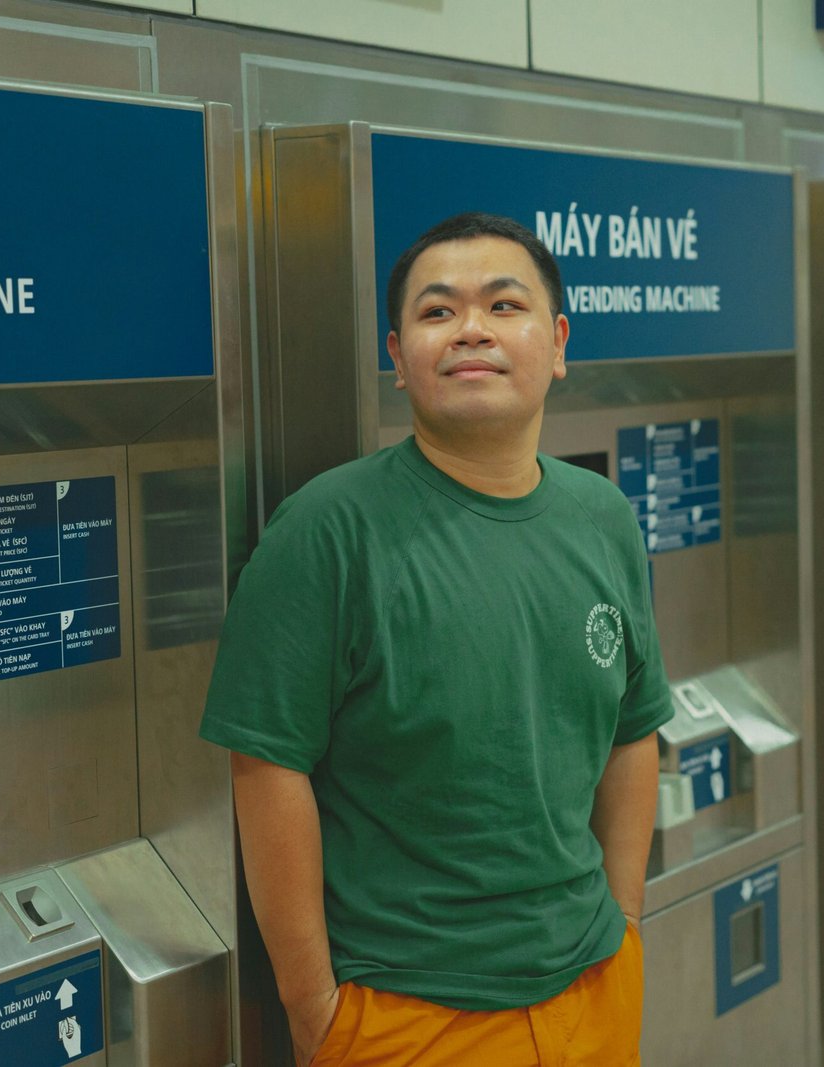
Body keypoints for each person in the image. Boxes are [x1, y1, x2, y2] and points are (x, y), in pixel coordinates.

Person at [200, 211, 672, 1066]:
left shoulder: (602, 517)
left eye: (504, 305)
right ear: (398, 355)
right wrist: (314, 1007)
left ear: (558, 343)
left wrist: (626, 916)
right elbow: (266, 765)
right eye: (437, 311)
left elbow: (633, 730)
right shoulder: (328, 529)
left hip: (594, 988)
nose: (471, 330)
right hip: (406, 1014)